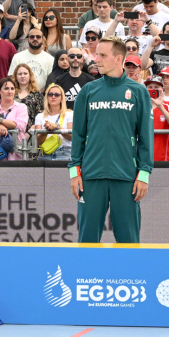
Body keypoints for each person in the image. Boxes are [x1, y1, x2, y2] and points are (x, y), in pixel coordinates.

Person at [69, 36, 154, 242]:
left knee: (129, 240)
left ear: (118, 59)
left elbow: (145, 137)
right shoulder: (88, 91)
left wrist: (144, 173)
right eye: (96, 53)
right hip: (91, 175)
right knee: (87, 239)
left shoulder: (138, 91)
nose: (96, 58)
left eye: (102, 55)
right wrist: (74, 171)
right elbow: (78, 135)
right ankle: (87, 275)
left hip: (126, 177)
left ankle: (130, 275)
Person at [0, 76, 29, 161]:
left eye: (12, 88)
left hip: (15, 153)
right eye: (6, 88)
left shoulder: (21, 107)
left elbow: (20, 125)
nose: (10, 91)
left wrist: (0, 120)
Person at [33, 83, 74, 161]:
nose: (53, 97)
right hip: (45, 154)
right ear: (46, 97)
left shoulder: (70, 114)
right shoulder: (39, 116)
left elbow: (72, 137)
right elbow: (38, 142)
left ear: (62, 97)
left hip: (65, 153)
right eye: (50, 94)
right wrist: (46, 131)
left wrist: (57, 127)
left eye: (57, 94)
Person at [146, 74, 169, 161]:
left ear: (162, 89)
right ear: (145, 89)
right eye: (150, 87)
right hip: (144, 157)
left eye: (156, 87)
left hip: (164, 157)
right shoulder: (139, 106)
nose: (153, 89)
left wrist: (160, 106)